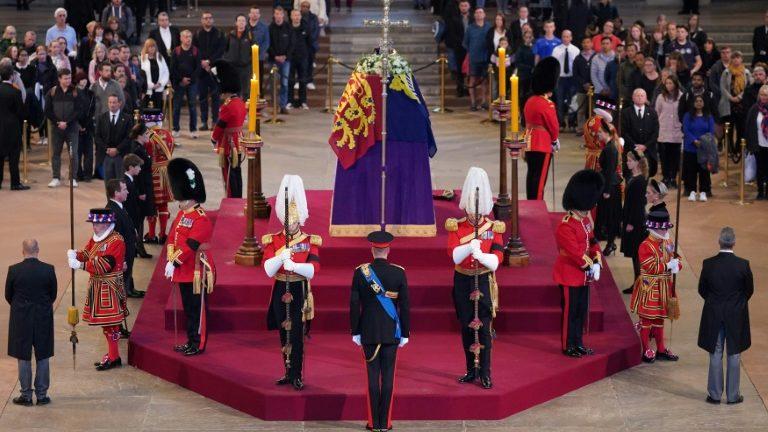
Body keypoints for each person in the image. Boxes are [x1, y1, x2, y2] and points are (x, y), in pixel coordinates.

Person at [445, 167, 504, 389]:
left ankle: (486, 372)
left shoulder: (493, 227)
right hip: (463, 280)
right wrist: (469, 247)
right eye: (470, 210)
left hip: (485, 280)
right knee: (466, 327)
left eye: (476, 210)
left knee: (485, 330)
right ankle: (471, 369)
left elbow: (497, 259)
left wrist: (483, 256)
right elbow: (453, 255)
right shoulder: (457, 226)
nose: (474, 215)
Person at [262, 175, 321, 390]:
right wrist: (280, 257)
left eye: (293, 222)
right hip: (280, 287)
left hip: (298, 288)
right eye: (287, 222)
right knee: (282, 331)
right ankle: (286, 371)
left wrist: (294, 266)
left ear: (300, 220)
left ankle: (297, 373)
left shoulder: (308, 241)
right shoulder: (274, 239)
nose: (290, 226)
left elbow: (314, 270)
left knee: (296, 333)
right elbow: (268, 269)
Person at [350, 230, 410, 431]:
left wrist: (355, 331)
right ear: (388, 250)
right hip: (392, 332)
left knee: (372, 378)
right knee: (388, 377)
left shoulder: (360, 272)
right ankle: (386, 423)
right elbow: (406, 306)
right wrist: (405, 333)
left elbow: (353, 304)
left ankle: (373, 423)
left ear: (372, 249)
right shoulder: (399, 272)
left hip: (368, 331)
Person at [164, 158, 216, 357]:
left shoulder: (201, 218)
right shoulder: (182, 215)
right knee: (188, 309)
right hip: (182, 269)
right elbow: (172, 238)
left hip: (195, 270)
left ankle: (198, 343)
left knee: (197, 310)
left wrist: (174, 261)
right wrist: (170, 260)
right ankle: (190, 340)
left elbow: (190, 245)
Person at [68, 208, 129, 370]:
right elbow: (88, 253)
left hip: (109, 287)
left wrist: (80, 265)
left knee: (112, 325)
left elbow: (104, 264)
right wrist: (76, 254)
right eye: (93, 223)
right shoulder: (97, 239)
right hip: (98, 286)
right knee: (107, 326)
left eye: (97, 223)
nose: (94, 227)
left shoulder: (116, 240)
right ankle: (113, 355)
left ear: (107, 223)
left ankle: (114, 357)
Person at [698, 227, 752, 405]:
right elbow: (748, 290)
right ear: (734, 242)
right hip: (735, 314)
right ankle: (733, 395)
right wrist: (737, 304)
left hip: (714, 312)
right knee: (734, 353)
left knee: (716, 351)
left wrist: (714, 301)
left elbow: (702, 290)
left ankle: (714, 395)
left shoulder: (708, 263)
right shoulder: (743, 264)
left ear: (719, 241)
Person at [554, 169, 603, 358]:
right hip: (570, 275)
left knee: (580, 312)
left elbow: (593, 242)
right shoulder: (566, 225)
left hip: (583, 276)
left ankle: (578, 343)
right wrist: (592, 265)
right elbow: (575, 254)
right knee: (570, 313)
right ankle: (568, 345)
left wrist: (597, 260)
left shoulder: (584, 222)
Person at [5, 239, 56, 406]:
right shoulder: (48, 270)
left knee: (23, 356)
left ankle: (26, 395)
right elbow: (52, 294)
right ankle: (42, 395)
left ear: (23, 251)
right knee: (43, 355)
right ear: (38, 250)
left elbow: (8, 295)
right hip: (43, 318)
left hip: (21, 319)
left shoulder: (14, 270)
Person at [629, 209, 681, 363]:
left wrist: (677, 265)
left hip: (664, 286)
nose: (665, 230)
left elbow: (675, 258)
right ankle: (646, 350)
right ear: (654, 228)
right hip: (649, 287)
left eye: (666, 227)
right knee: (647, 321)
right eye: (662, 228)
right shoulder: (645, 245)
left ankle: (661, 349)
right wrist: (668, 266)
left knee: (659, 319)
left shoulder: (668, 242)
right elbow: (651, 267)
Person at [524, 57, 560, 200]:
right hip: (542, 143)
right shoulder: (547, 104)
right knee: (540, 179)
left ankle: (531, 202)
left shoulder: (530, 100)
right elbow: (553, 126)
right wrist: (555, 140)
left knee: (531, 174)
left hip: (529, 140)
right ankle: (537, 204)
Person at [138, 108, 174, 244]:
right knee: (163, 205)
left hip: (151, 172)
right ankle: (163, 234)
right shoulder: (168, 134)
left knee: (151, 204)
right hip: (165, 171)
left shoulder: (147, 137)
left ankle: (152, 234)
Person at [211, 60, 246, 198]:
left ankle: (232, 199)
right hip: (238, 141)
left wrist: (213, 139)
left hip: (228, 143)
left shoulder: (228, 105)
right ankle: (238, 197)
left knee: (229, 174)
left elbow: (220, 126)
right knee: (237, 173)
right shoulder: (240, 103)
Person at [105, 178, 143, 305]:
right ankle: (116, 322)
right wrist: (122, 260)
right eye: (124, 189)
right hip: (121, 260)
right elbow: (114, 240)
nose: (128, 192)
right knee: (119, 291)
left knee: (123, 289)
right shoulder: (112, 211)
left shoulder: (119, 207)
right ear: (116, 193)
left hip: (127, 255)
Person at [45, 68, 82, 189]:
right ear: (59, 79)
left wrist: (67, 122)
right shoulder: (52, 92)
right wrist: (57, 123)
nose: (68, 80)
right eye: (65, 78)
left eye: (69, 78)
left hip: (71, 128)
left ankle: (73, 178)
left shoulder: (76, 92)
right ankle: (56, 178)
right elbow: (48, 110)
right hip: (56, 129)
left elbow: (78, 110)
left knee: (73, 154)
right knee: (56, 153)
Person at [621, 149, 648, 293]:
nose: (627, 163)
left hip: (635, 222)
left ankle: (639, 284)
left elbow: (638, 204)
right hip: (632, 218)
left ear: (637, 163)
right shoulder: (635, 177)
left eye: (630, 161)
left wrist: (630, 222)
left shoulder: (639, 181)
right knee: (634, 254)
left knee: (636, 254)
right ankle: (637, 282)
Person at [194, 11, 226, 131]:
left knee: (216, 96)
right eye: (205, 18)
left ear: (212, 20)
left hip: (215, 69)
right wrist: (203, 62)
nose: (207, 20)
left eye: (209, 18)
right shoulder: (197, 34)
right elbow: (195, 50)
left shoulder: (219, 34)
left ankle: (215, 121)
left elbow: (221, 50)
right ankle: (203, 122)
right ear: (202, 21)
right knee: (202, 97)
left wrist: (210, 62)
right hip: (202, 70)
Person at [595, 121, 622, 256]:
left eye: (600, 132)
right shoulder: (609, 146)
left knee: (610, 216)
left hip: (610, 188)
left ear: (606, 133)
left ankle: (611, 243)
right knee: (604, 215)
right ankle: (607, 242)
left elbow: (610, 170)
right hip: (608, 186)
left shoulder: (610, 149)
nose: (597, 134)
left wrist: (606, 191)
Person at [0, 61, 28, 191]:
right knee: (13, 156)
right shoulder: (15, 92)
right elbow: (21, 112)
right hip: (12, 128)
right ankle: (15, 183)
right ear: (11, 76)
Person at [682, 94, 715, 202]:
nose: (699, 103)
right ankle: (691, 191)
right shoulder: (687, 116)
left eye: (701, 101)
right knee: (691, 170)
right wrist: (694, 140)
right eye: (697, 101)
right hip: (690, 148)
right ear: (693, 103)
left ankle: (703, 192)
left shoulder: (709, 116)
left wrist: (702, 141)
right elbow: (686, 130)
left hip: (704, 148)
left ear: (704, 103)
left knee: (704, 171)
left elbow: (711, 131)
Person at [621, 88, 660, 178]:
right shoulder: (625, 113)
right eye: (637, 95)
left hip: (647, 151)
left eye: (642, 96)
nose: (639, 97)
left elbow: (655, 133)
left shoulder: (652, 113)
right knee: (630, 176)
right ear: (633, 98)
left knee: (645, 176)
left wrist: (645, 146)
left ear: (646, 98)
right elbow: (624, 132)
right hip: (630, 150)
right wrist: (635, 146)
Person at [170, 30, 201, 139]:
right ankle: (176, 128)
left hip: (192, 83)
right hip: (179, 83)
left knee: (192, 106)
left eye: (189, 37)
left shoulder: (196, 51)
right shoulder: (176, 51)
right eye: (185, 37)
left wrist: (190, 79)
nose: (188, 39)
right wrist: (181, 79)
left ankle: (193, 129)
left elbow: (198, 68)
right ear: (181, 38)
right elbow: (173, 68)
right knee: (177, 106)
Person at [95, 94, 133, 181]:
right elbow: (97, 137)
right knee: (108, 183)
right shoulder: (101, 118)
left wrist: (117, 149)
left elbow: (129, 137)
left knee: (121, 182)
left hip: (121, 155)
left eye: (114, 102)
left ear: (119, 103)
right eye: (110, 102)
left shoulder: (127, 118)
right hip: (106, 155)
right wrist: (107, 149)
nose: (112, 105)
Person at [656, 74, 683, 188]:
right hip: (664, 130)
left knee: (675, 157)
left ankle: (673, 177)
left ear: (675, 84)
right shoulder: (660, 97)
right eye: (666, 83)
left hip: (677, 131)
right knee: (664, 156)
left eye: (670, 83)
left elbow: (683, 112)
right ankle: (666, 177)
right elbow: (657, 112)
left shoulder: (681, 96)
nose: (668, 85)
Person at [719, 51, 752, 144]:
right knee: (729, 128)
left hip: (741, 103)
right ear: (731, 60)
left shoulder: (746, 72)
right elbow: (722, 87)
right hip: (729, 103)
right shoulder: (726, 72)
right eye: (733, 58)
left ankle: (739, 148)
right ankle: (729, 150)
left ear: (741, 59)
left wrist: (740, 96)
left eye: (738, 57)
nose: (736, 59)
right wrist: (731, 98)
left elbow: (749, 86)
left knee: (741, 127)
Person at [223, 15, 253, 110]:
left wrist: (248, 60)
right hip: (233, 67)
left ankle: (244, 111)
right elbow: (225, 49)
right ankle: (235, 110)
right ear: (236, 23)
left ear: (246, 22)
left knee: (245, 91)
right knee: (234, 91)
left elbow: (254, 50)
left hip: (245, 67)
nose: (241, 23)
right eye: (239, 21)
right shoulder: (230, 34)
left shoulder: (250, 35)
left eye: (243, 21)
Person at [463, 8, 490, 111]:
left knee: (484, 81)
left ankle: (484, 101)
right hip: (474, 59)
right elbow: (465, 43)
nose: (479, 14)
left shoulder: (488, 27)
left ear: (484, 14)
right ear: (474, 15)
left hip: (485, 58)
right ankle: (473, 103)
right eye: (477, 12)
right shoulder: (470, 28)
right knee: (472, 81)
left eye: (481, 12)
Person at [551, 30, 579, 130]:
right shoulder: (556, 50)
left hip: (571, 78)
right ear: (561, 38)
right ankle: (561, 123)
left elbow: (577, 66)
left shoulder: (576, 50)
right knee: (559, 101)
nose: (566, 38)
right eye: (564, 36)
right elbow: (553, 65)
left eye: (568, 36)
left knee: (572, 101)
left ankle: (572, 123)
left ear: (571, 38)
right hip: (560, 78)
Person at [443, 0, 470, 98]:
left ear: (469, 7)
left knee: (469, 71)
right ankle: (460, 88)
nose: (464, 7)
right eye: (462, 6)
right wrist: (461, 44)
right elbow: (453, 34)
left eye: (465, 6)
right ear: (459, 7)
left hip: (471, 49)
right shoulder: (455, 19)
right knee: (459, 70)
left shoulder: (472, 19)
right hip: (460, 48)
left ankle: (468, 88)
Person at [745, 84, 768, 200]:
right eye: (762, 95)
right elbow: (749, 126)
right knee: (760, 169)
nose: (764, 97)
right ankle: (760, 191)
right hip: (759, 144)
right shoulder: (754, 109)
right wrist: (750, 145)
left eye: (766, 95)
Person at [287, 9, 311, 110]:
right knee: (290, 81)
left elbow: (309, 43)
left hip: (302, 58)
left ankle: (303, 101)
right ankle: (289, 101)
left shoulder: (306, 27)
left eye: (298, 15)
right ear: (291, 17)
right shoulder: (287, 28)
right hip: (290, 58)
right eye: (294, 15)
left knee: (303, 80)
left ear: (300, 16)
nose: (296, 17)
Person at [584, 97, 614, 171]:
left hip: (591, 157)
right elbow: (604, 141)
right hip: (600, 158)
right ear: (607, 110)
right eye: (611, 111)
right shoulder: (602, 123)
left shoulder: (590, 120)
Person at [140, 38, 170, 110]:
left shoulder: (160, 57)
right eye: (150, 47)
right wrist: (151, 85)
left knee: (158, 111)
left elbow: (166, 72)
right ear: (146, 48)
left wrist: (160, 83)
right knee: (148, 112)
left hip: (159, 89)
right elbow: (142, 74)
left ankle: (157, 121)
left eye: (153, 46)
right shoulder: (142, 58)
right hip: (147, 90)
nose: (152, 48)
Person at [247, 6, 271, 93]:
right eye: (253, 13)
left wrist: (258, 53)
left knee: (259, 79)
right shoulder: (245, 26)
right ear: (249, 14)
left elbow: (266, 42)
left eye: (256, 13)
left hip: (259, 58)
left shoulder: (264, 27)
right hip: (246, 58)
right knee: (246, 79)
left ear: (259, 15)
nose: (254, 15)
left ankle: (259, 98)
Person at [573, 37, 594, 132]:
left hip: (594, 87)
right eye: (584, 42)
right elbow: (575, 74)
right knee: (581, 109)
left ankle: (593, 128)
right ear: (582, 44)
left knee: (594, 109)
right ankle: (581, 128)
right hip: (581, 88)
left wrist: (592, 84)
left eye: (588, 42)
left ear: (591, 44)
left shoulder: (596, 56)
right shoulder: (578, 58)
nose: (586, 44)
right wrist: (584, 84)